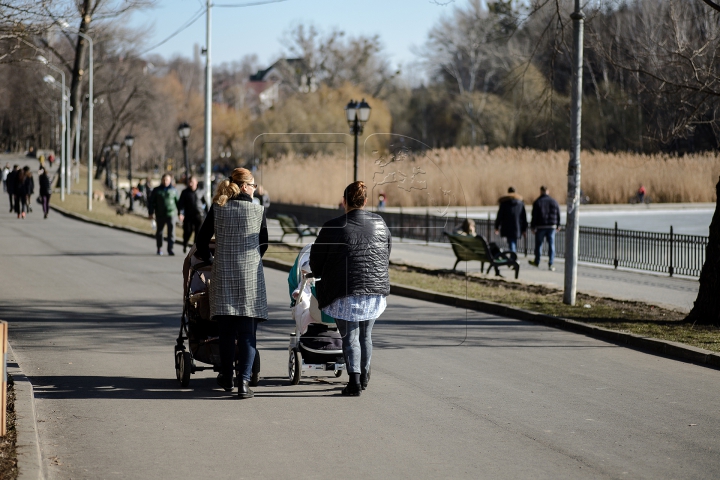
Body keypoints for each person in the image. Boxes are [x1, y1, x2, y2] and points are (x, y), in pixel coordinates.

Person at [310, 181, 391, 396]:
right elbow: (386, 252)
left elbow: (316, 259)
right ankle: (364, 376)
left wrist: (318, 273)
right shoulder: (380, 223)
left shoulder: (332, 226)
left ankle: (354, 382)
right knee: (366, 336)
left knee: (350, 337)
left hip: (344, 291)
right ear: (365, 201)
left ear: (344, 202)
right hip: (374, 291)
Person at [195, 168, 268, 399]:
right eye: (254, 185)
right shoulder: (258, 210)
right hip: (250, 279)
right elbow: (263, 244)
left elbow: (201, 240)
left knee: (225, 330)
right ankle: (243, 383)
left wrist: (211, 259)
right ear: (245, 187)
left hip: (223, 274)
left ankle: (227, 378)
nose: (255, 189)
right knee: (247, 332)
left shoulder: (219, 208)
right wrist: (251, 260)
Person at [529, 185, 560, 271]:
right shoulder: (554, 201)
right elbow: (558, 213)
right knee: (551, 245)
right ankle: (551, 263)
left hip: (540, 226)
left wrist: (533, 226)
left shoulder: (538, 202)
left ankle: (537, 261)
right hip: (551, 226)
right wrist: (558, 224)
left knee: (539, 244)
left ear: (541, 191)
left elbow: (534, 215)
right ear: (548, 191)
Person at [148, 173, 180, 256]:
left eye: (167, 180)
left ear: (170, 181)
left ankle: (170, 248)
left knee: (171, 232)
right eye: (164, 180)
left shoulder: (173, 190)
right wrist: (151, 212)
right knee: (159, 232)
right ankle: (159, 247)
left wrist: (181, 213)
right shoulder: (157, 190)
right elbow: (151, 202)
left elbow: (178, 203)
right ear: (161, 180)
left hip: (171, 214)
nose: (165, 181)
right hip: (160, 214)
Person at [177, 176, 207, 253]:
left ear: (196, 182)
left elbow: (206, 204)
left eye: (192, 182)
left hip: (199, 215)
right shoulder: (185, 192)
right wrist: (180, 213)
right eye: (189, 182)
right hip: (188, 215)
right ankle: (185, 243)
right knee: (187, 231)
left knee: (198, 233)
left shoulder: (201, 191)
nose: (190, 184)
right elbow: (181, 204)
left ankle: (195, 249)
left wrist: (208, 215)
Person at [494, 186, 528, 253]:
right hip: (517, 226)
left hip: (507, 226)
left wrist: (497, 227)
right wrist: (524, 229)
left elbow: (499, 216)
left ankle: (513, 257)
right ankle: (513, 256)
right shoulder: (520, 203)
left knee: (511, 242)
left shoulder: (504, 203)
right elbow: (524, 217)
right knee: (513, 241)